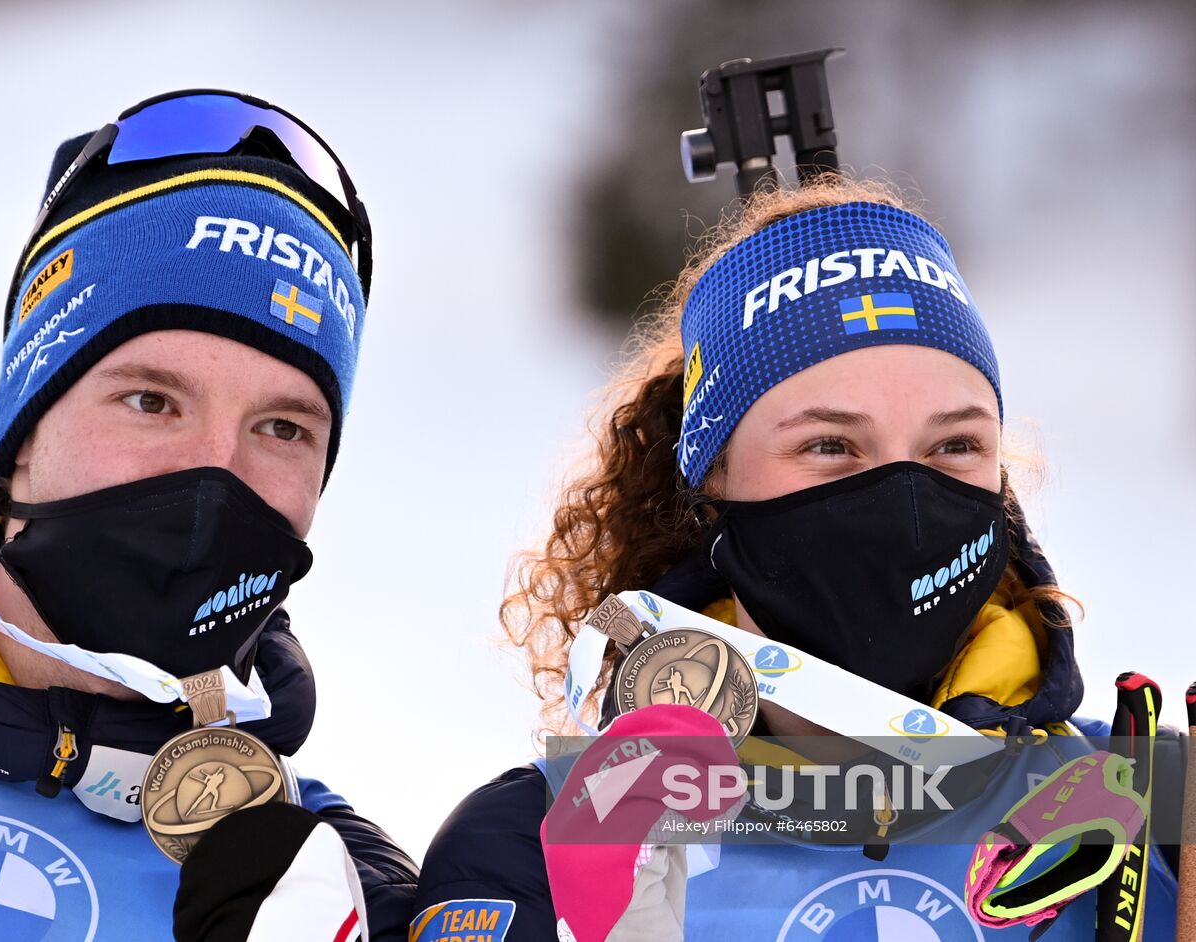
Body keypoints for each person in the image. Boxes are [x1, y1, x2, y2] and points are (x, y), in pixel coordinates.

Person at [411, 179, 1179, 940]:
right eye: (829, 446)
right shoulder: (531, 846)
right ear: (711, 482)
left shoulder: (1161, 810)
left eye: (955, 446)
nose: (905, 501)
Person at [0, 89, 415, 940]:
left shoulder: (318, 886)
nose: (214, 474)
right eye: (152, 401)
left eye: (281, 427)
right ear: (22, 428)